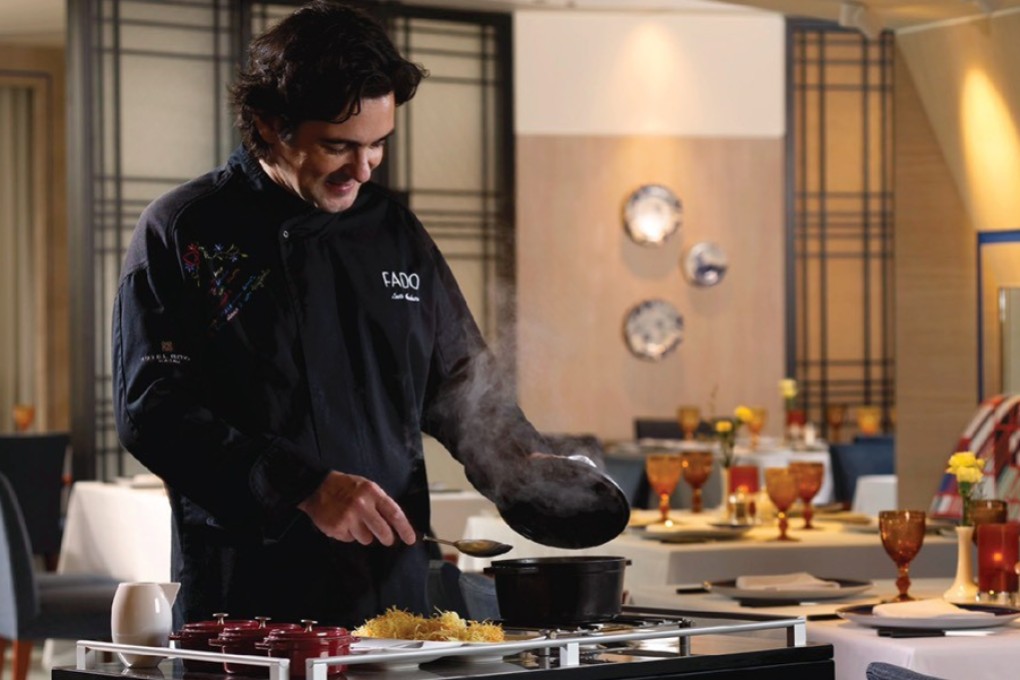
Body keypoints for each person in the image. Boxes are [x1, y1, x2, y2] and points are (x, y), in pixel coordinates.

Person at [112, 0, 546, 628]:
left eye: (378, 146)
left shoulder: (393, 229)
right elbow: (152, 410)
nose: (363, 169)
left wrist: (524, 463)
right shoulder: (185, 229)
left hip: (390, 591)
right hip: (249, 590)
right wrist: (303, 486)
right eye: (338, 147)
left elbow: (457, 381)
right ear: (268, 123)